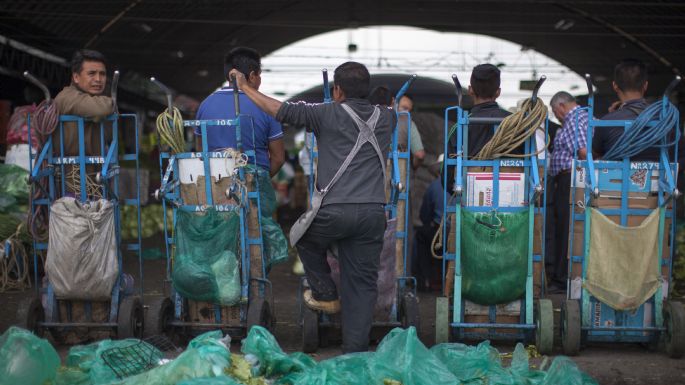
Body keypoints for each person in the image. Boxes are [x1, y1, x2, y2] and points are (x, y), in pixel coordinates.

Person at [231, 61, 395, 353]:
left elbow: (279, 110)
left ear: (338, 90)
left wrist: (244, 87)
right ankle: (354, 353)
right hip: (372, 213)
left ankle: (325, 293)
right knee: (362, 284)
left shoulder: (325, 112)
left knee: (302, 237)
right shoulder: (388, 118)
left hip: (334, 212)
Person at [195, 46, 284, 177]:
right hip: (254, 184)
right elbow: (278, 158)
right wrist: (260, 183)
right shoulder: (267, 107)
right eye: (259, 75)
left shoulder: (205, 105)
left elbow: (201, 152)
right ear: (253, 76)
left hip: (214, 185)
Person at [53, 49, 114, 196]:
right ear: (76, 77)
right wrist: (111, 103)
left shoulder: (90, 98)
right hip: (72, 179)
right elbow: (103, 108)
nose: (98, 79)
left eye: (102, 74)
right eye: (91, 73)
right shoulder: (67, 97)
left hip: (95, 177)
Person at [443, 64, 512, 192]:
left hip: (469, 206)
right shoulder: (516, 124)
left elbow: (446, 178)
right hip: (518, 207)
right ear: (498, 92)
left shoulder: (460, 127)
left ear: (470, 90)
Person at [547, 91, 589, 293]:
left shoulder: (573, 118)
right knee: (568, 227)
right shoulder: (584, 116)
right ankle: (564, 276)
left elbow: (583, 151)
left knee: (565, 229)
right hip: (568, 180)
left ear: (561, 106)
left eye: (555, 112)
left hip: (569, 180)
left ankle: (561, 279)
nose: (557, 117)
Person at [368, 87, 425, 168]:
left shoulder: (365, 119)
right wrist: (413, 167)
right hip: (399, 174)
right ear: (393, 103)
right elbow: (420, 155)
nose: (407, 112)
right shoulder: (408, 123)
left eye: (409, 110)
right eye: (404, 108)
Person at [412, 156, 444, 291]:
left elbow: (424, 216)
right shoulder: (465, 183)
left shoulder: (434, 186)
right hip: (461, 231)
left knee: (420, 235)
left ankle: (425, 279)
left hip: (440, 233)